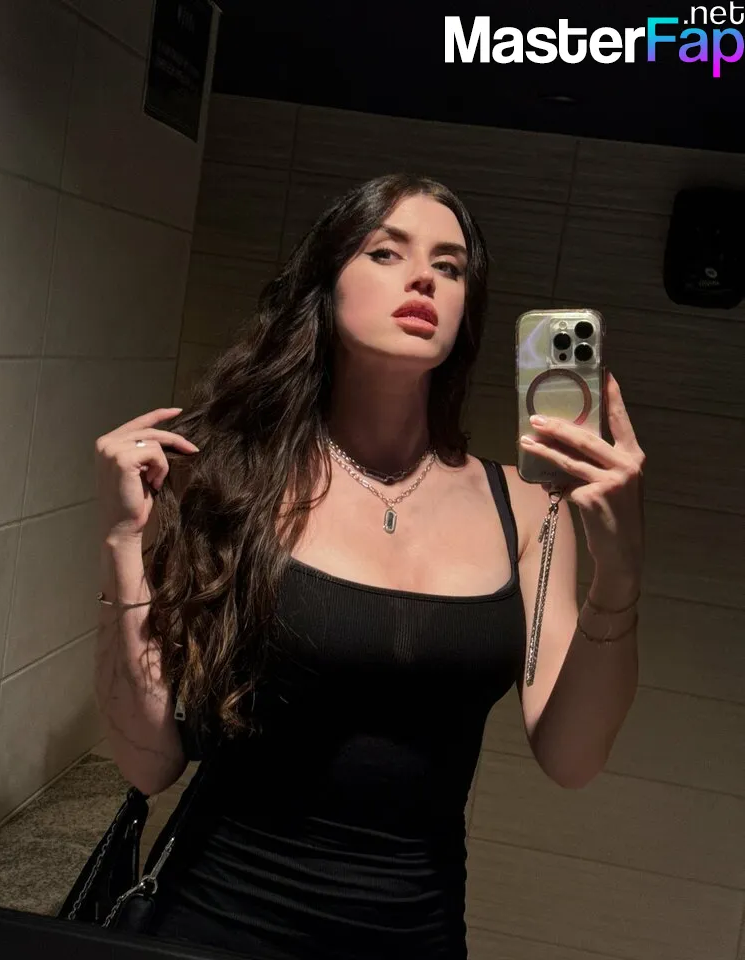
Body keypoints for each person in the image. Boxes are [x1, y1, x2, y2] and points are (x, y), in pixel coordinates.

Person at [93, 174, 645, 960]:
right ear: (325, 286)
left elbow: (572, 758)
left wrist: (619, 575)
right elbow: (149, 764)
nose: (424, 278)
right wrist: (123, 541)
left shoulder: (527, 509)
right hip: (209, 922)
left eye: (450, 266)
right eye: (387, 252)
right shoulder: (231, 480)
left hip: (413, 936)